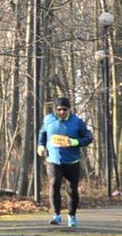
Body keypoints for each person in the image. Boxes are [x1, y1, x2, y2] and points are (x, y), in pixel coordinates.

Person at [37, 97, 93, 227]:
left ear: (69, 109)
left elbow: (88, 138)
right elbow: (42, 133)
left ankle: (72, 216)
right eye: (59, 109)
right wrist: (40, 145)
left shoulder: (77, 122)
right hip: (53, 160)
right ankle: (56, 216)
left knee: (72, 189)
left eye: (65, 109)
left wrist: (75, 142)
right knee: (54, 184)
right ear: (55, 109)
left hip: (72, 161)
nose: (62, 112)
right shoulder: (48, 119)